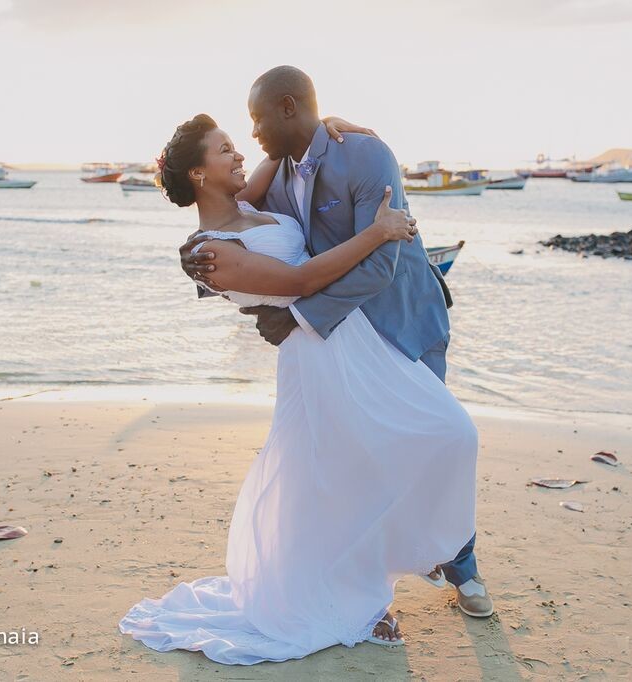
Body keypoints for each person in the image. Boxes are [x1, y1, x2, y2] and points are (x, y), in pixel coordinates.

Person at [118, 110, 478, 665]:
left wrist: (325, 121)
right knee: (340, 478)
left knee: (445, 435)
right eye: (224, 150)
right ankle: (364, 594)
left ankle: (413, 557)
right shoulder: (211, 252)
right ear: (196, 175)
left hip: (354, 338)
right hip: (316, 355)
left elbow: (285, 145)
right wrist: (378, 232)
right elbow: (301, 281)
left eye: (237, 145)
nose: (239, 155)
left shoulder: (243, 202)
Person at [183, 65, 493, 617]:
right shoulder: (273, 177)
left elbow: (382, 264)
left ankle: (460, 565)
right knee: (355, 461)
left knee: (432, 438)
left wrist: (301, 316)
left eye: (256, 119)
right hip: (339, 339)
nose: (250, 135)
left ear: (284, 107)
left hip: (402, 319)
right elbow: (244, 246)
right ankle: (370, 571)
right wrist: (195, 263)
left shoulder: (368, 157)